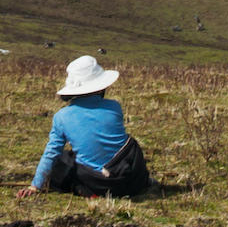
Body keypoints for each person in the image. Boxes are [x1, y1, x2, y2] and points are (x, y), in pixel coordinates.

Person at [19, 56, 150, 199]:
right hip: (129, 181)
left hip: (95, 184)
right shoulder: (114, 107)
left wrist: (35, 186)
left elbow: (51, 152)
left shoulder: (62, 117)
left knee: (62, 161)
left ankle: (82, 189)